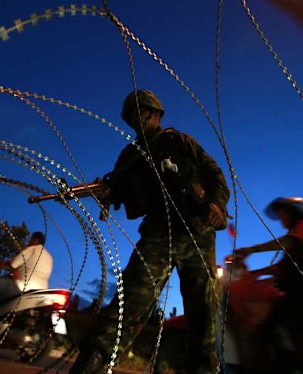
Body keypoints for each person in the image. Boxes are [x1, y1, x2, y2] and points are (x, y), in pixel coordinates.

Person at [70, 90, 230, 374]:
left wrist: (217, 204)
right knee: (132, 297)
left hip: (197, 231)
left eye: (140, 112)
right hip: (160, 232)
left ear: (156, 114)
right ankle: (93, 359)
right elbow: (119, 189)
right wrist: (106, 193)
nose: (135, 119)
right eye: (131, 115)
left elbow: (214, 174)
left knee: (204, 311)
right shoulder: (130, 156)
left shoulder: (179, 141)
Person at [234, 197, 303, 371]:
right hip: (299, 295)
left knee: (276, 332)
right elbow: (280, 267)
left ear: (295, 211)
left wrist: (252, 249)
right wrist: (253, 273)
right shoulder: (299, 236)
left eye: (283, 213)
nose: (281, 218)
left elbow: (288, 242)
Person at [0, 231, 53, 327]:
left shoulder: (32, 249)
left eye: (30, 239)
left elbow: (11, 264)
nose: (28, 242)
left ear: (35, 240)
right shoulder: (49, 257)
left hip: (22, 286)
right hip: (39, 291)